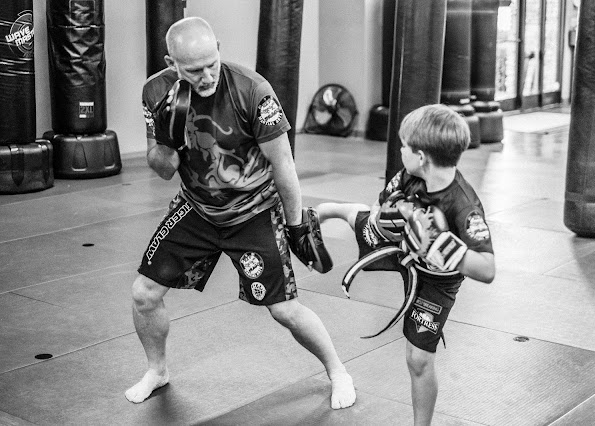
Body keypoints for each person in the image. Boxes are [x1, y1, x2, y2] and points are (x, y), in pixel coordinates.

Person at [125, 17, 356, 410]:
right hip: (197, 209)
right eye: (194, 70)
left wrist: (296, 223)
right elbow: (163, 169)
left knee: (283, 310)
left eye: (212, 62)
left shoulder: (252, 89)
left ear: (218, 46)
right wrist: (167, 136)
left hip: (254, 213)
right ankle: (157, 371)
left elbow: (283, 163)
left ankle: (338, 371)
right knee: (144, 294)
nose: (206, 75)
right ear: (171, 62)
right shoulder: (156, 91)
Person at [317, 104, 495, 425]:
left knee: (418, 359)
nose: (400, 150)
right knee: (361, 220)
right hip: (400, 245)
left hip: (437, 279)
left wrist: (441, 246)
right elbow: (379, 202)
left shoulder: (464, 206)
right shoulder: (409, 175)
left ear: (422, 155)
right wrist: (379, 217)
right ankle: (330, 210)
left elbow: (486, 269)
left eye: (403, 145)